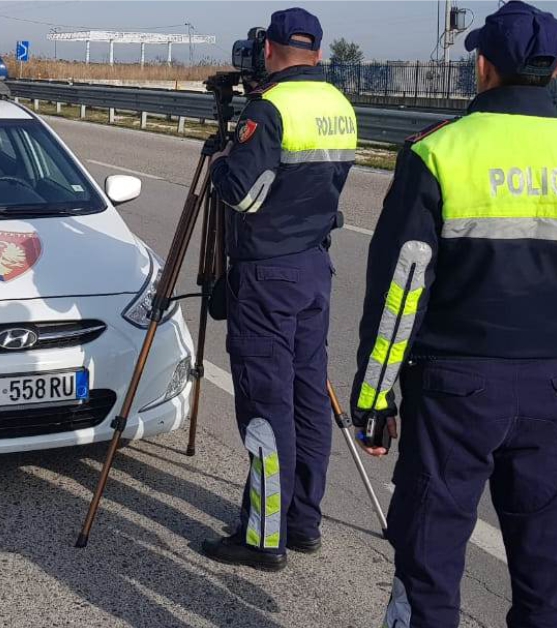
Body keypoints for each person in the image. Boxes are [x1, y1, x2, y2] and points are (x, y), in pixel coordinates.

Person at [348, 2, 557, 626]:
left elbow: (401, 292)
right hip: (555, 393)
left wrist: (374, 401)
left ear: (482, 65)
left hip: (453, 393)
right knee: (545, 580)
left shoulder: (437, 153)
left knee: (429, 572)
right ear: (556, 69)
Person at [201, 7, 357, 572]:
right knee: (308, 395)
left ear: (268, 49)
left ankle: (264, 536)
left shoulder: (271, 110)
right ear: (316, 51)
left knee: (267, 408)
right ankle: (302, 520)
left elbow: (240, 192)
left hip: (267, 272)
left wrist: (221, 162)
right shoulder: (339, 105)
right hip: (314, 266)